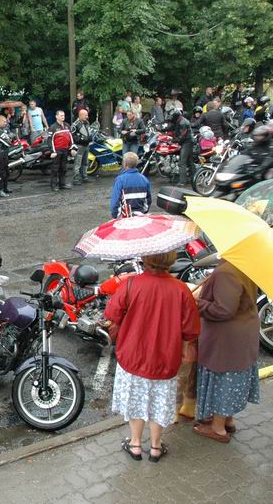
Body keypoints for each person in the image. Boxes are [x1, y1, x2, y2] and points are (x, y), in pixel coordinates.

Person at [106, 251, 200, 462]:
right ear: (171, 260)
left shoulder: (131, 284)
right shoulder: (181, 289)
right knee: (160, 401)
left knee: (136, 400)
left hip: (133, 355)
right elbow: (191, 329)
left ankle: (135, 444)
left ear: (146, 258)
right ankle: (156, 447)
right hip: (166, 357)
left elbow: (112, 313)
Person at [193, 260, 261, 443]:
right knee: (232, 378)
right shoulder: (244, 265)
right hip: (243, 329)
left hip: (227, 337)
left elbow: (223, 309)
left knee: (223, 379)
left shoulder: (226, 272)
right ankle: (227, 420)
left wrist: (196, 303)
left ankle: (218, 428)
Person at [110, 152, 151, 218]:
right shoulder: (144, 179)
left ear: (125, 164)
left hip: (125, 217)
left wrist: (116, 216)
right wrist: (143, 212)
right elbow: (148, 201)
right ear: (136, 164)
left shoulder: (120, 180)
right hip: (140, 216)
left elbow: (115, 202)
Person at [49, 110, 76, 191]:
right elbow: (49, 140)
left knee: (64, 168)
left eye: (63, 115)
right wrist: (53, 151)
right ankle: (54, 185)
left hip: (65, 150)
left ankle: (62, 184)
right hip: (57, 150)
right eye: (61, 115)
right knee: (55, 169)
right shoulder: (52, 127)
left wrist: (72, 148)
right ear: (56, 116)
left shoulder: (67, 125)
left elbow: (71, 138)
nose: (63, 117)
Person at [169, 109, 195, 186]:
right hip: (186, 141)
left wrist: (173, 141)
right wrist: (161, 129)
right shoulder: (179, 121)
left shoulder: (183, 123)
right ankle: (193, 178)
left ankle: (183, 181)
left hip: (187, 142)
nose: (171, 118)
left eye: (172, 117)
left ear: (175, 116)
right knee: (189, 161)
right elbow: (172, 127)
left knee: (182, 162)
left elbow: (182, 136)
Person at [70, 108, 93, 185]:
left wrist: (89, 138)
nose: (87, 116)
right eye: (85, 115)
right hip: (79, 146)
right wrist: (81, 139)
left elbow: (89, 132)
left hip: (86, 145)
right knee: (78, 163)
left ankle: (84, 177)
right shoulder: (75, 124)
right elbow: (72, 136)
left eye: (87, 115)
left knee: (85, 162)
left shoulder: (87, 122)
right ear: (81, 115)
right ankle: (75, 179)